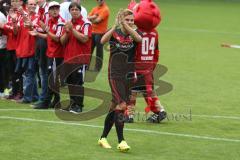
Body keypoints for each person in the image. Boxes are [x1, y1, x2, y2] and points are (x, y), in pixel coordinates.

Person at [98, 9, 142, 152]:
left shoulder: (136, 33)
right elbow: (102, 40)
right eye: (127, 19)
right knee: (122, 105)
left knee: (113, 106)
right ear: (122, 19)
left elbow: (139, 39)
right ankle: (121, 141)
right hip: (115, 75)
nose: (130, 22)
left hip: (128, 76)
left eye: (132, 20)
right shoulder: (115, 32)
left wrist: (126, 25)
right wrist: (115, 26)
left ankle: (103, 138)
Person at [29, 1, 65, 109]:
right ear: (48, 11)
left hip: (57, 54)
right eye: (52, 9)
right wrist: (38, 33)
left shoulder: (60, 22)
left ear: (59, 10)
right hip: (51, 53)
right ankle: (56, 100)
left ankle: (46, 102)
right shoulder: (50, 21)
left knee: (51, 78)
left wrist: (46, 30)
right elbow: (49, 36)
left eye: (56, 9)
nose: (54, 11)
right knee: (52, 78)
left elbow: (57, 38)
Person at [60, 2, 92, 113]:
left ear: (80, 11)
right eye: (72, 9)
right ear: (69, 11)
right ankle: (72, 104)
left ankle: (78, 106)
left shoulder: (86, 23)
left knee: (78, 83)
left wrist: (72, 29)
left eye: (76, 9)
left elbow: (85, 39)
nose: (74, 11)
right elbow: (62, 41)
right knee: (70, 82)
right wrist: (67, 32)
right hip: (69, 57)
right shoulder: (68, 24)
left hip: (80, 59)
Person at [88, 0, 109, 71]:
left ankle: (97, 67)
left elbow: (98, 21)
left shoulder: (105, 9)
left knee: (99, 52)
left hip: (100, 34)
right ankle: (87, 66)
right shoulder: (95, 8)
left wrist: (91, 19)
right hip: (92, 33)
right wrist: (94, 16)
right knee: (89, 50)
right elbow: (88, 17)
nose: (99, 1)